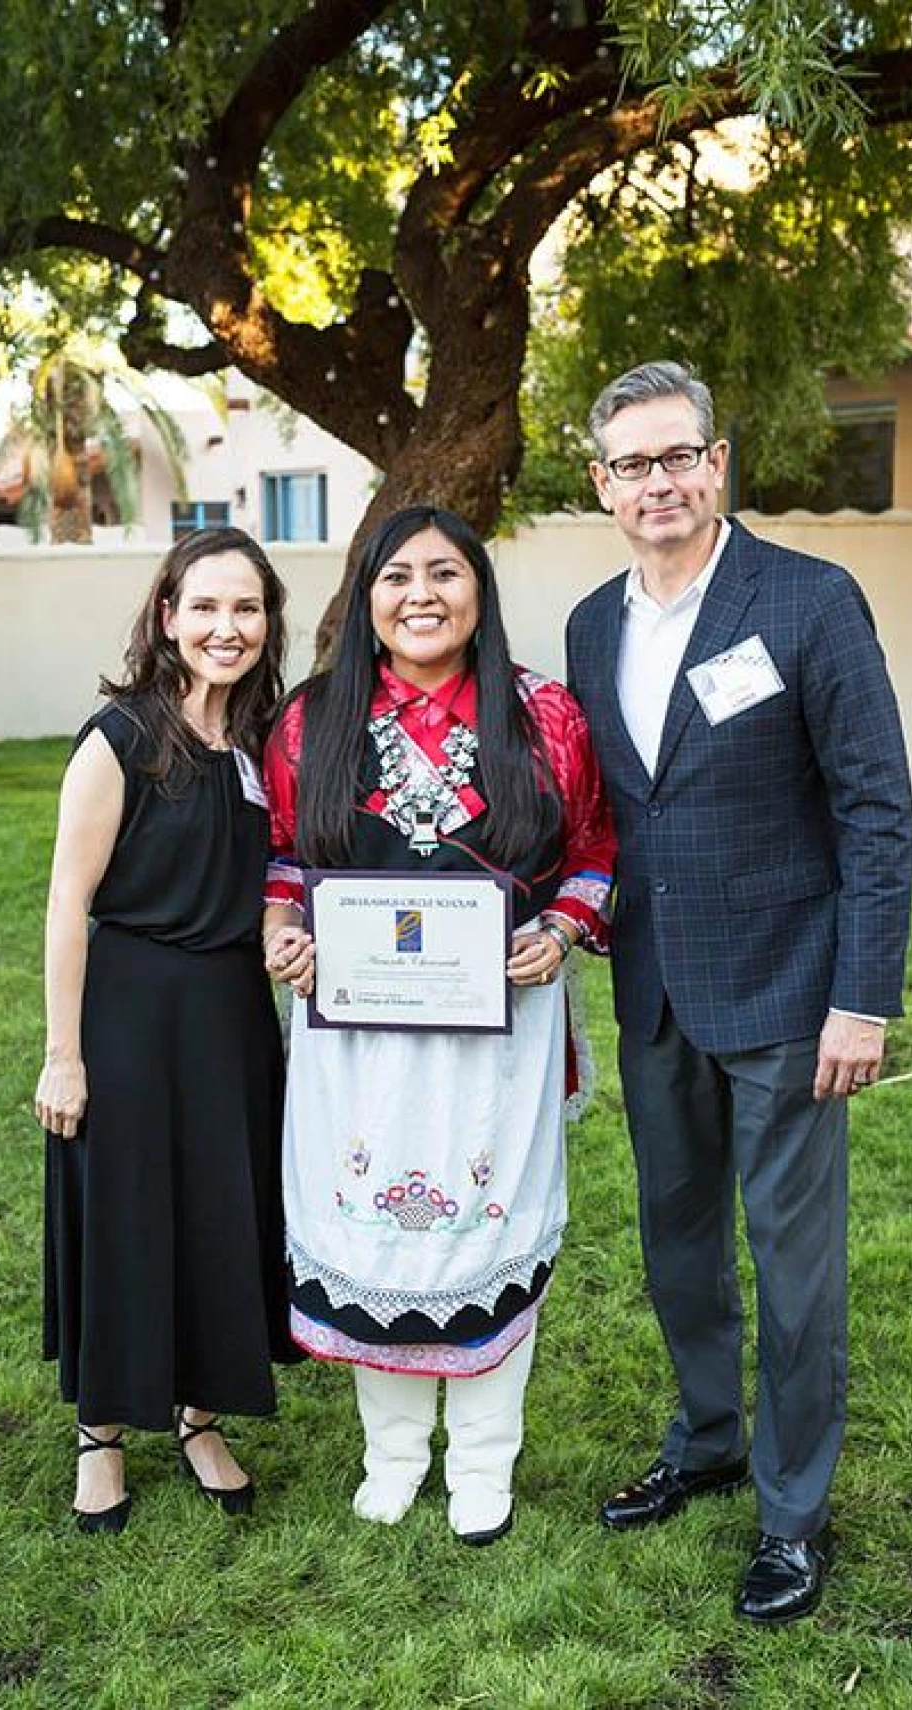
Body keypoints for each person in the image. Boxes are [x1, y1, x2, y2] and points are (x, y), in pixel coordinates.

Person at [566, 361, 912, 1623]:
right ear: (600, 484)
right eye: (632, 464)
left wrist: (862, 998)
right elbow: (619, 805)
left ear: (718, 463)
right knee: (677, 1247)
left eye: (679, 457)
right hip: (655, 986)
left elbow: (878, 810)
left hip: (788, 994)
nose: (658, 482)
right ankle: (707, 1438)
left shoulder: (810, 602)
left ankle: (792, 1511)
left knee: (794, 1263)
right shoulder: (592, 624)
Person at [262, 504, 614, 1545]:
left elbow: (595, 850)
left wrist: (560, 927)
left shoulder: (544, 715)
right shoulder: (311, 718)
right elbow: (283, 852)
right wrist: (284, 926)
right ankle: (394, 1454)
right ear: (365, 599)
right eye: (396, 577)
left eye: (445, 574)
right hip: (356, 1038)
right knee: (375, 1226)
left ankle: (485, 1464)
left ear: (479, 591)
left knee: (482, 1226)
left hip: (502, 1033)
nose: (421, 595)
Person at [36, 526, 296, 1533]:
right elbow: (67, 901)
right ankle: (101, 1433)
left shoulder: (270, 740)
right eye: (206, 607)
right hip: (132, 1009)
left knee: (221, 1210)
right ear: (168, 616)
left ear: (267, 621)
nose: (226, 627)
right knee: (126, 1211)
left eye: (246, 608)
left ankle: (197, 1414)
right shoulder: (122, 736)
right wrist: (65, 1054)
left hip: (232, 1014)